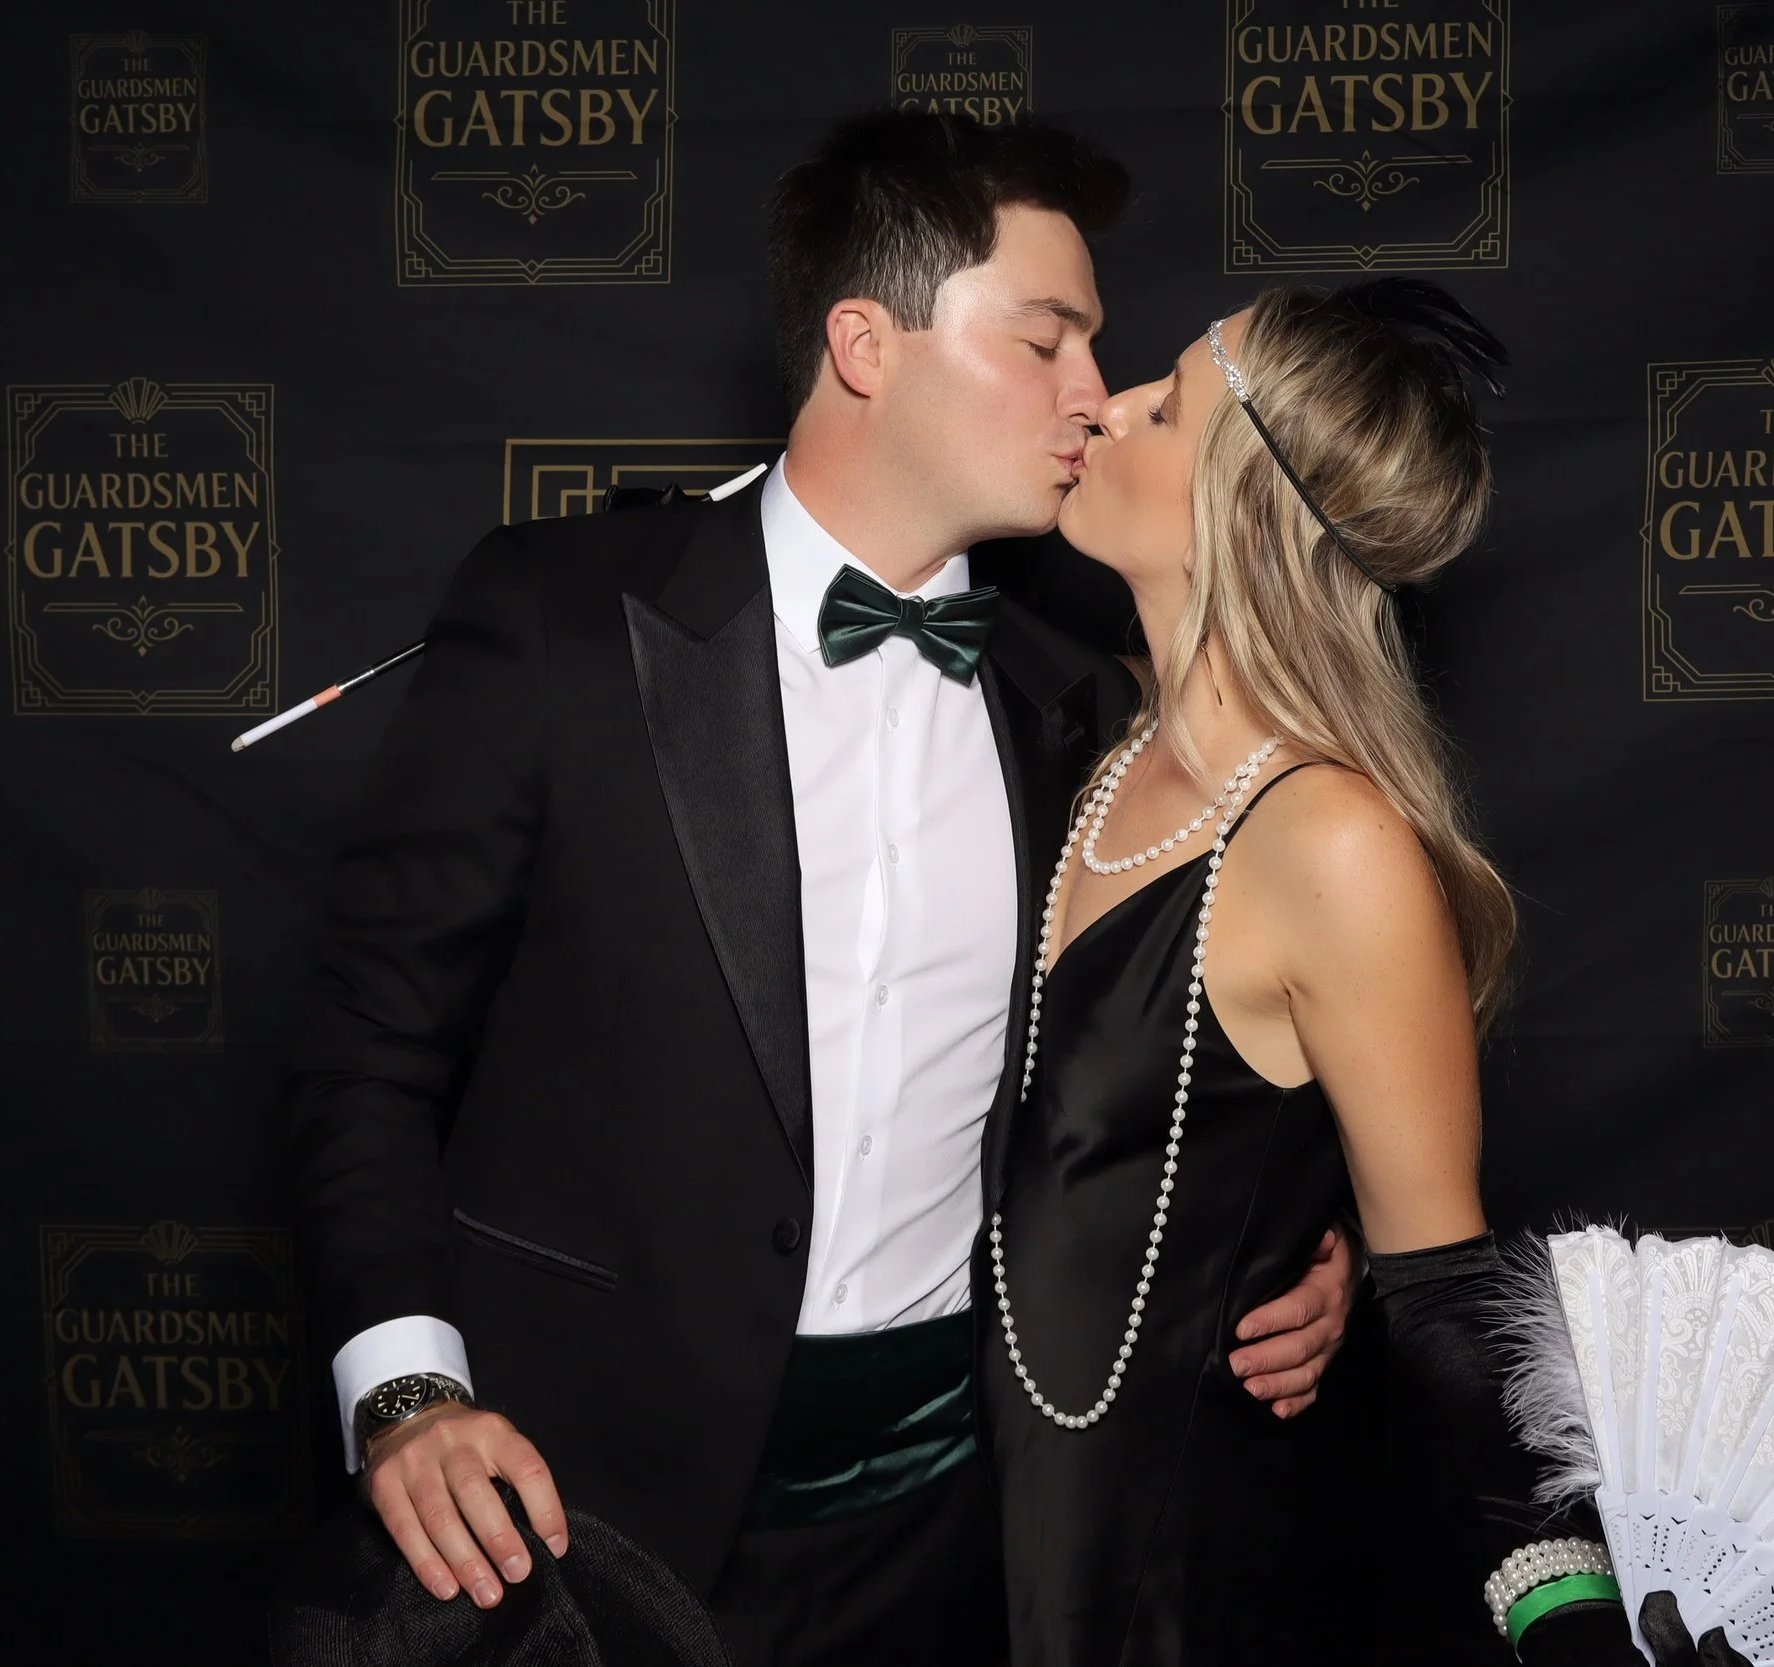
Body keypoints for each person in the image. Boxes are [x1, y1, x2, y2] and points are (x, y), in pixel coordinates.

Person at [282, 109, 1359, 1667]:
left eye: (1095, 347)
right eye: (1045, 339)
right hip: (564, 1514)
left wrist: (1305, 1255)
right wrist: (405, 1392)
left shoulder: (1086, 714)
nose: (1093, 391)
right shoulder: (561, 623)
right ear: (866, 343)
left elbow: (1183, 1064)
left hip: (947, 1535)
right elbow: (364, 1054)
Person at [977, 281, 1642, 1664]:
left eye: (1167, 407)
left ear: (1242, 506)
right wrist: (1296, 1215)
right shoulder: (1072, 743)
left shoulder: (1333, 843)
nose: (1107, 406)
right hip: (965, 1551)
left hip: (1173, 1587)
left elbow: (1448, 1301)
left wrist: (1572, 1618)